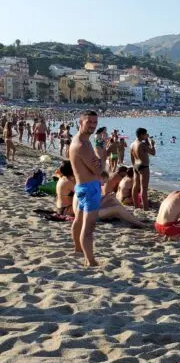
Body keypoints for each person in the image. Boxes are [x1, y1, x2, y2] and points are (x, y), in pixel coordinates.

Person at [69, 111, 104, 267]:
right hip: (90, 189)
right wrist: (101, 152)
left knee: (79, 219)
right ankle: (90, 261)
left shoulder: (78, 140)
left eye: (95, 122)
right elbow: (98, 170)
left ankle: (77, 248)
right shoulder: (83, 145)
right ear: (80, 122)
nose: (92, 125)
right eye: (89, 122)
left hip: (82, 186)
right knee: (88, 227)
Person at [130, 128, 156, 210]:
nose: (146, 135)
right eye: (145, 134)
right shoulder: (142, 144)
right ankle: (145, 208)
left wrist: (134, 166)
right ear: (142, 135)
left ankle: (136, 206)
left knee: (135, 186)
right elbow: (153, 152)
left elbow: (132, 158)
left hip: (136, 166)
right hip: (144, 167)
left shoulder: (132, 144)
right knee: (144, 188)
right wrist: (152, 144)